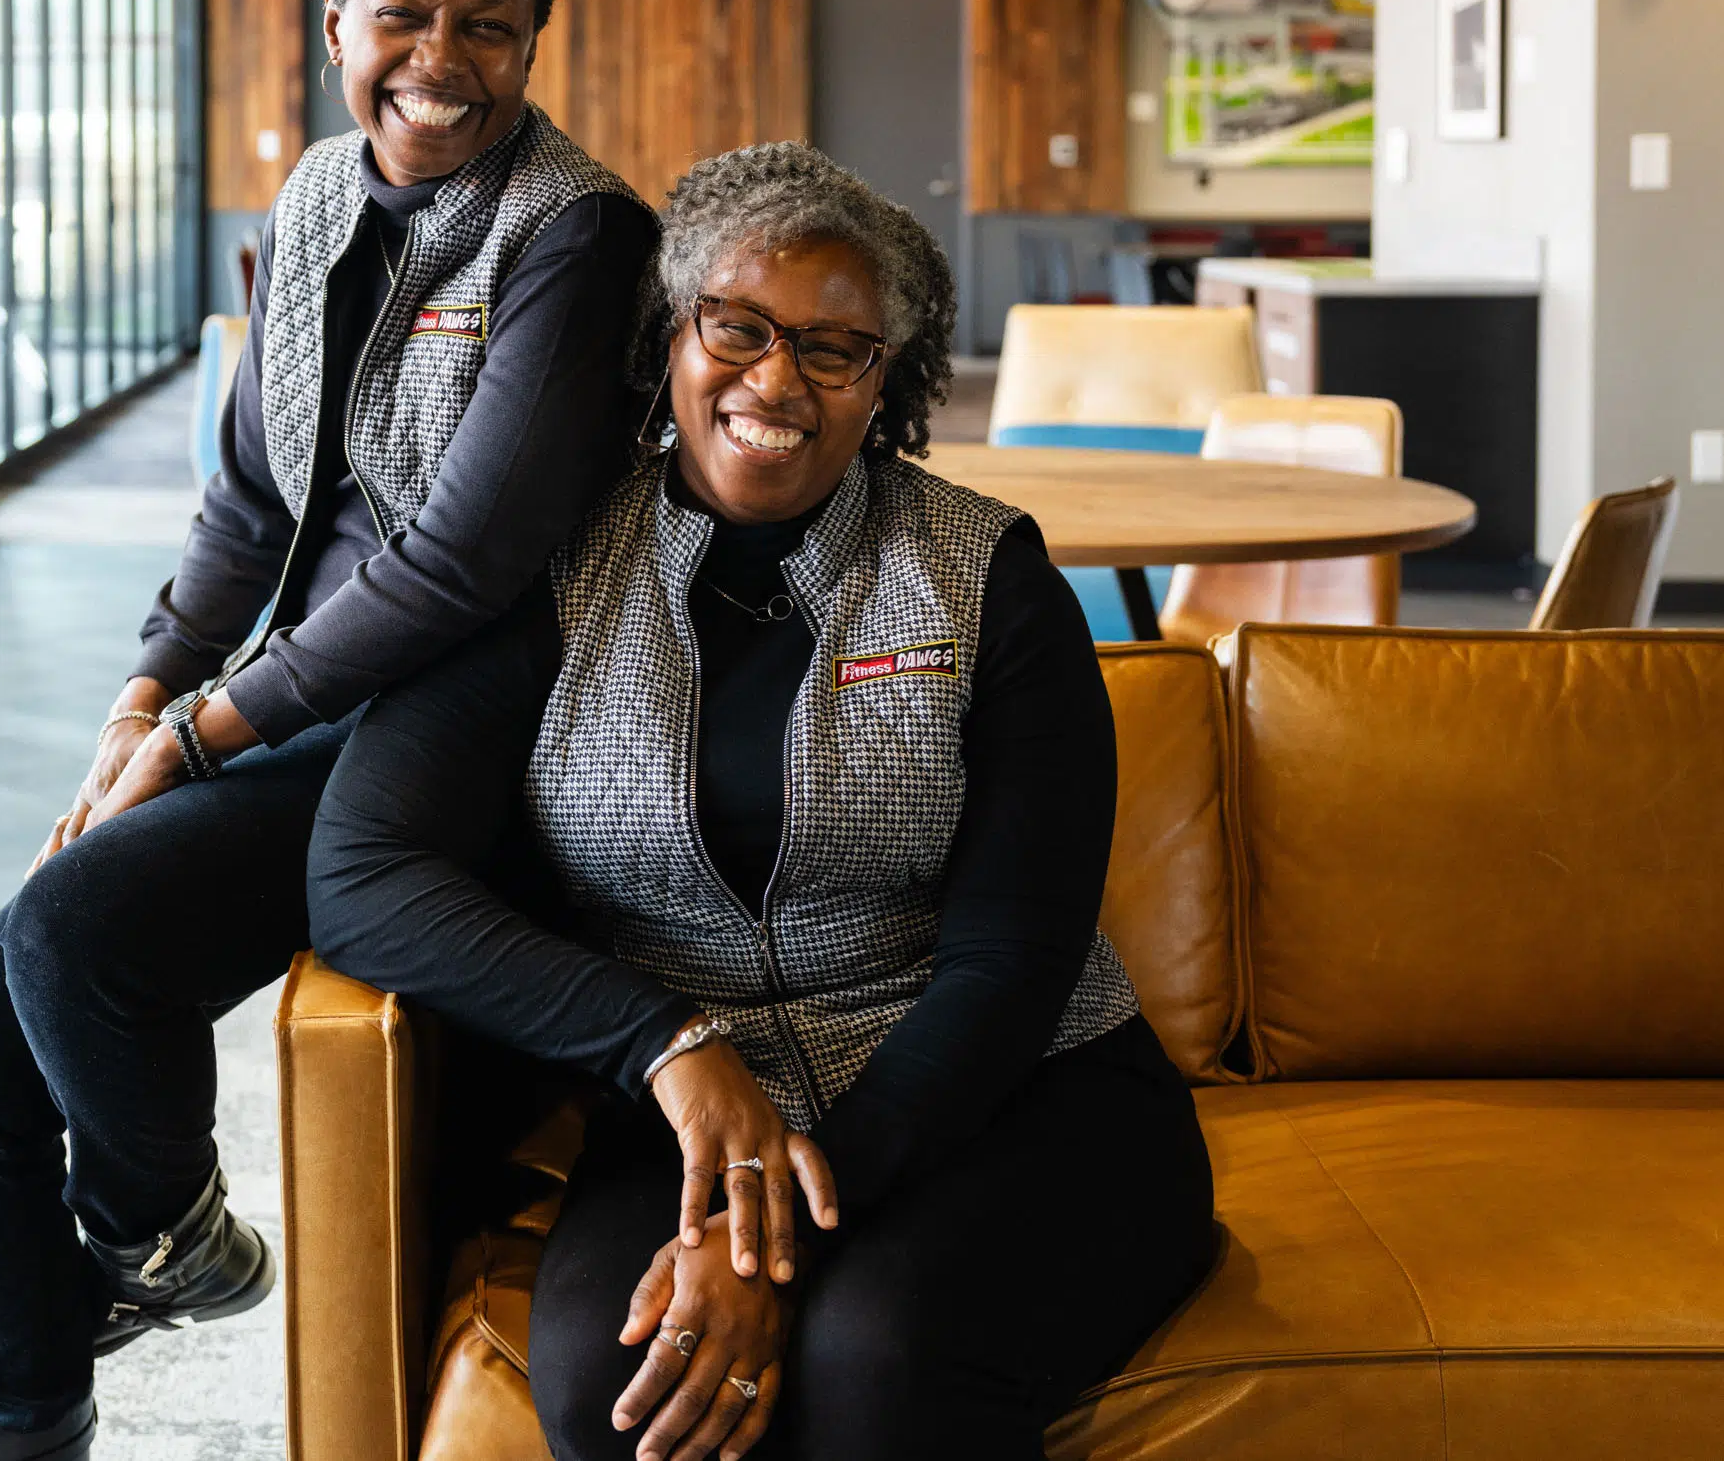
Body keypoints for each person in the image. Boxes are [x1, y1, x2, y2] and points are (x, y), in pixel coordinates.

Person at [0, 0, 657, 1461]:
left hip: (471, 717)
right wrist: (144, 695)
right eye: (402, 15)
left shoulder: (579, 239)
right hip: (296, 693)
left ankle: (152, 1232)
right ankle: (24, 1419)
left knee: (80, 925)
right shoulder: (313, 198)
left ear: (537, 38)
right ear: (334, 23)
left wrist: (205, 733)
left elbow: (460, 566)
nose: (442, 60)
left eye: (490, 25)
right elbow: (250, 499)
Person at [308, 143, 1217, 1461]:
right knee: (619, 1379)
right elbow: (361, 870)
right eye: (737, 327)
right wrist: (666, 1044)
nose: (778, 380)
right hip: (689, 1100)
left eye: (836, 349)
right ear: (670, 337)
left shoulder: (987, 576)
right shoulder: (553, 569)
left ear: (886, 384)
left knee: (876, 1360)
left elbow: (1013, 962)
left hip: (1011, 1093)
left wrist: (764, 1237)